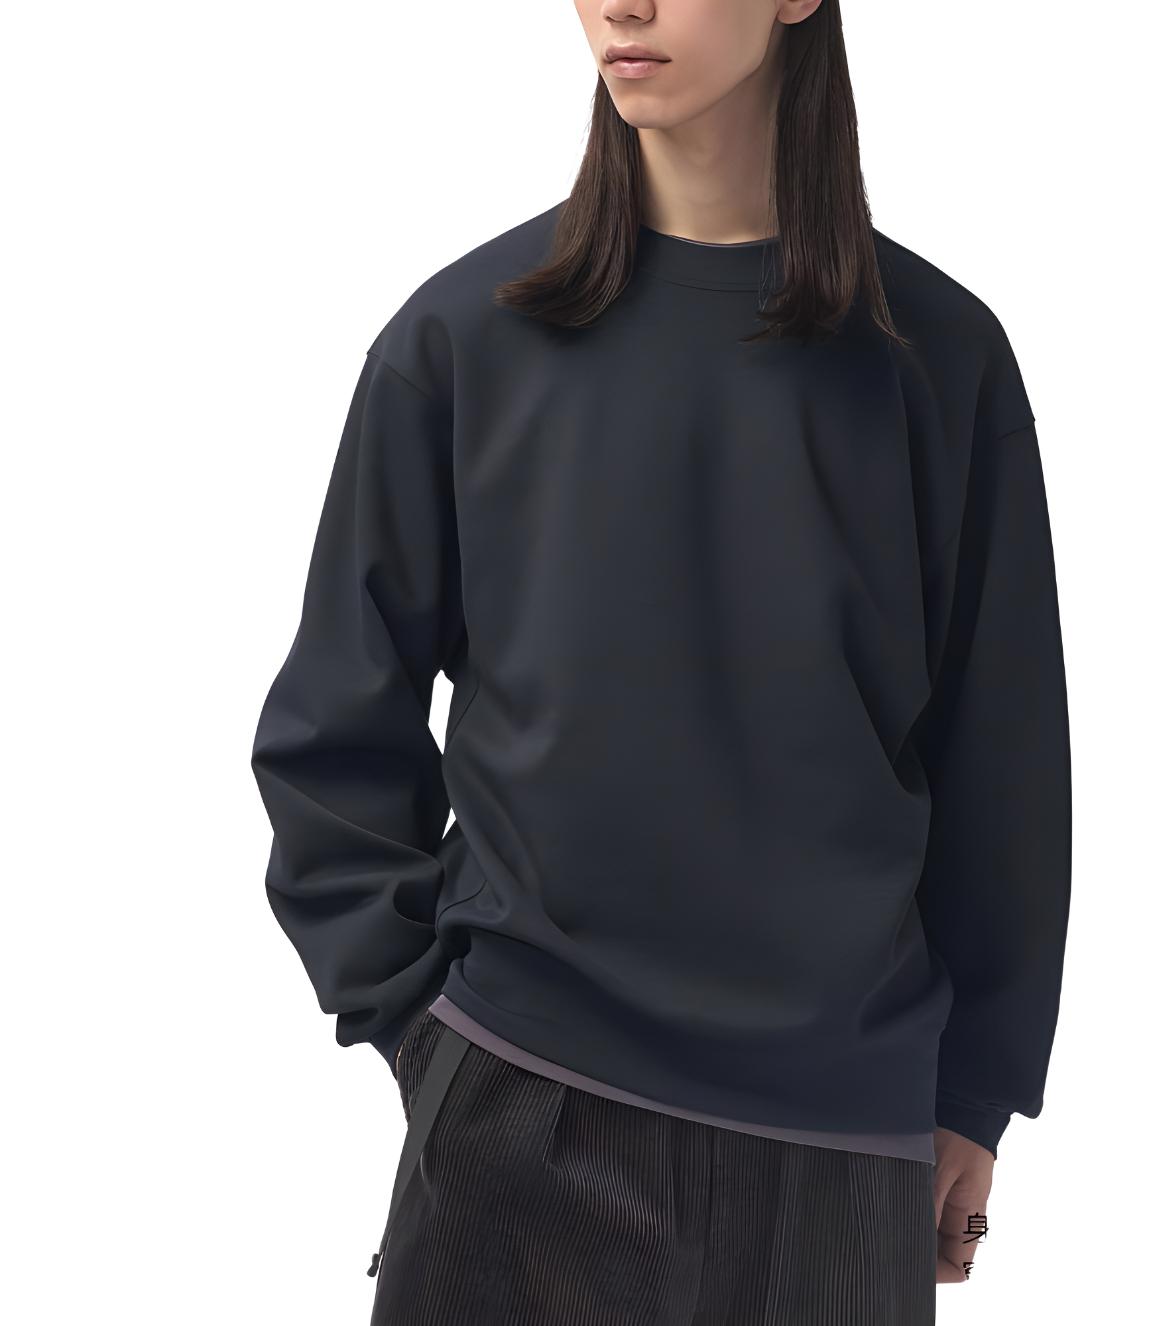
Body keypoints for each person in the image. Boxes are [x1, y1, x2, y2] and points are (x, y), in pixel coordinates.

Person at [250, 1, 1072, 1321]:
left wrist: (977, 1090)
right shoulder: (463, 339)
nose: (621, 4)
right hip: (523, 1112)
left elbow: (1002, 759)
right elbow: (331, 732)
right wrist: (424, 1029)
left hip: (839, 1149)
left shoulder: (937, 358)